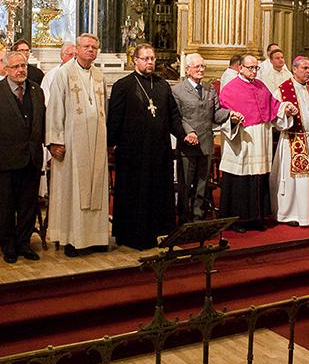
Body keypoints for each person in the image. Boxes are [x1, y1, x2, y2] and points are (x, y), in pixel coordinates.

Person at [107, 43, 187, 250]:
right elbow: (114, 118)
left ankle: (157, 231)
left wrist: (184, 134)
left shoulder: (161, 85)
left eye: (152, 58)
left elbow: (173, 115)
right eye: (145, 59)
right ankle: (131, 235)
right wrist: (110, 144)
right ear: (135, 60)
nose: (150, 62)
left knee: (157, 191)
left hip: (159, 150)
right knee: (135, 193)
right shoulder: (123, 85)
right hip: (132, 151)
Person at [46, 34, 110, 257]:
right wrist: (55, 140)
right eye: (86, 46)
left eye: (94, 47)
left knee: (97, 188)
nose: (90, 50)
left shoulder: (99, 75)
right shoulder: (64, 74)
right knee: (73, 190)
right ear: (77, 49)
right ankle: (73, 239)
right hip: (73, 143)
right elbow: (55, 108)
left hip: (97, 140)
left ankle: (97, 237)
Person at [218, 55, 293, 233]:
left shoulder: (261, 85)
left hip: (261, 137)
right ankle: (238, 220)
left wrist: (285, 108)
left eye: (256, 68)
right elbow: (222, 115)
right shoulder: (230, 88)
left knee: (259, 178)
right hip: (242, 139)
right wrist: (233, 119)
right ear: (240, 68)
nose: (253, 71)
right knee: (241, 179)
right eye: (250, 68)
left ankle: (257, 217)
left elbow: (274, 106)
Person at [0, 51, 45, 264]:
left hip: (32, 157)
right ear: (6, 69)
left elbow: (41, 122)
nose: (21, 70)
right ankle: (8, 245)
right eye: (16, 66)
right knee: (6, 205)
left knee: (28, 204)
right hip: (6, 158)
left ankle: (24, 243)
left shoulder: (37, 91)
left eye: (23, 66)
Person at [270, 57, 309, 227]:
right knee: (293, 181)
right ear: (295, 69)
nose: (308, 71)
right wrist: (286, 111)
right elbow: (275, 116)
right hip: (293, 139)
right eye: (304, 68)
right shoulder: (283, 90)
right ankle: (289, 214)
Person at [171, 53, 228, 223]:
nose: (201, 70)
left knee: (202, 185)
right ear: (188, 70)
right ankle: (185, 217)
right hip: (188, 145)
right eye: (197, 67)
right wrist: (189, 132)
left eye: (203, 66)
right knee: (186, 185)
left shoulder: (210, 88)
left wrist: (230, 114)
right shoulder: (177, 90)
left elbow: (216, 113)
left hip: (206, 143)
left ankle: (198, 217)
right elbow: (177, 117)